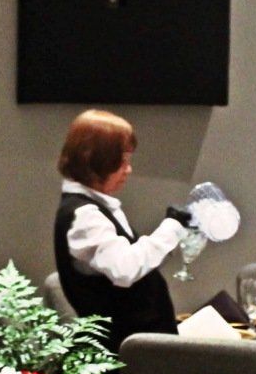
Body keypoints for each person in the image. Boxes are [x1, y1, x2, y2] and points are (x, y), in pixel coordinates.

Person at [52, 109, 195, 350]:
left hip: (140, 347)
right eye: (123, 160)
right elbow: (124, 269)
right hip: (123, 356)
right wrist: (172, 227)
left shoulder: (97, 206)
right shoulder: (85, 216)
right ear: (97, 161)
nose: (128, 169)